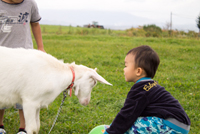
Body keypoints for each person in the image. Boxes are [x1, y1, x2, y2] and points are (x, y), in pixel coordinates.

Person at [103, 45, 190, 134]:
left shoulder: (139, 91)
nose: (123, 69)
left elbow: (126, 116)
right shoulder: (151, 85)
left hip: (170, 125)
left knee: (128, 129)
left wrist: (110, 132)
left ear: (138, 71)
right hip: (179, 125)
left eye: (126, 65)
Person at [0, 0, 45, 133]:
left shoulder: (30, 3)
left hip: (25, 58)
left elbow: (35, 24)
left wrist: (40, 48)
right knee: (1, 92)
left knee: (26, 94)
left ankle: (23, 129)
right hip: (3, 57)